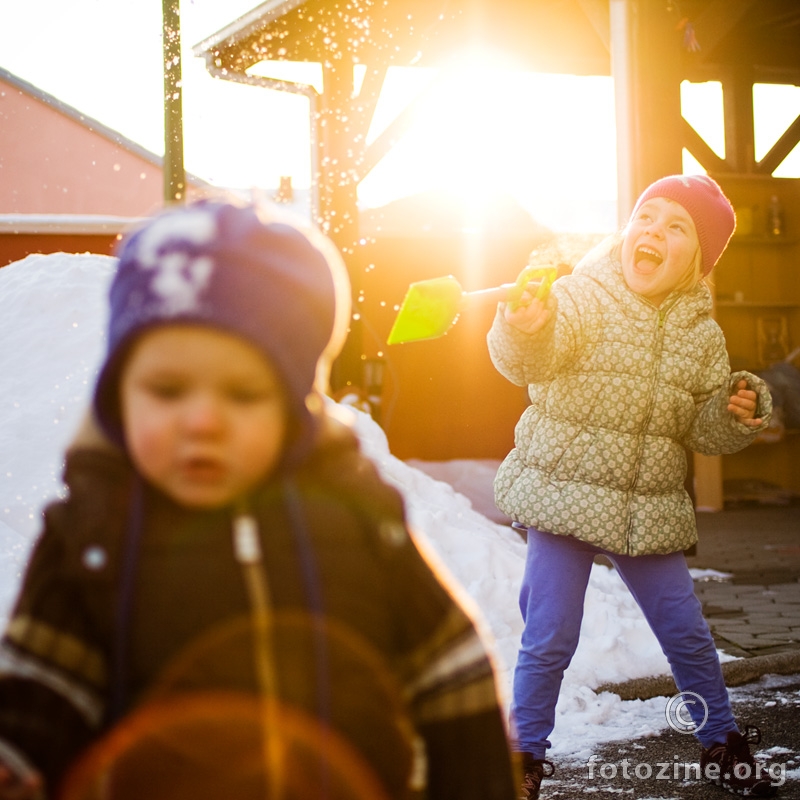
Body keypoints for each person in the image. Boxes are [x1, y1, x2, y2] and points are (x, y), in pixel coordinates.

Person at [0, 200, 517, 800]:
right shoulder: (93, 533)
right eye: (166, 390)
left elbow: (449, 674)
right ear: (119, 394)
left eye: (243, 393)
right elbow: (43, 687)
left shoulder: (355, 520)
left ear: (296, 407)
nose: (200, 421)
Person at [487, 175, 779, 799]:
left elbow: (702, 426)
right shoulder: (581, 297)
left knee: (686, 631)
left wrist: (733, 413)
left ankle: (721, 741)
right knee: (551, 631)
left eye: (678, 228)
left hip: (643, 510)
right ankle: (523, 756)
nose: (654, 231)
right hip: (563, 493)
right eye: (648, 216)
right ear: (627, 231)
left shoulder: (703, 337)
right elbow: (533, 356)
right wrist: (527, 325)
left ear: (698, 262)